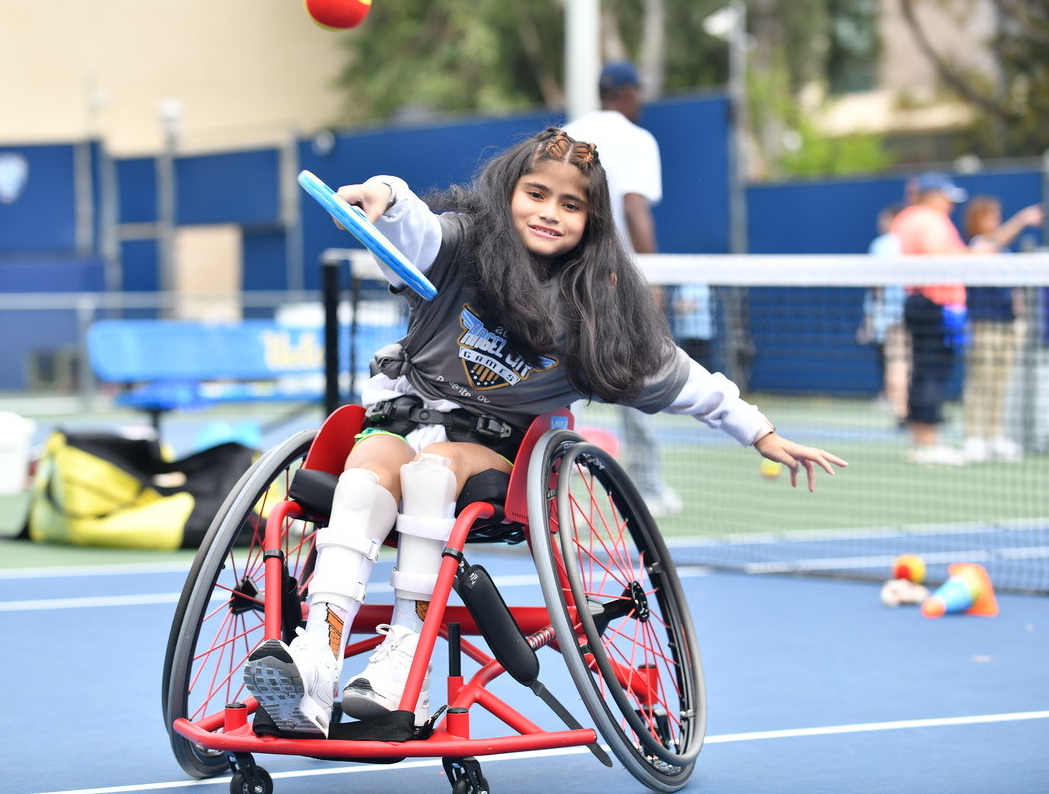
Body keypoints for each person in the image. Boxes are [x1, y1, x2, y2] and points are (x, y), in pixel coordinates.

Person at [243, 128, 847, 737]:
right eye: (536, 194)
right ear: (508, 192)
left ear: (592, 220)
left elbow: (678, 377)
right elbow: (415, 228)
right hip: (403, 422)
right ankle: (316, 659)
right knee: (366, 468)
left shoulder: (597, 313)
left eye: (571, 204)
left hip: (498, 458)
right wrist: (384, 197)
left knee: (432, 471)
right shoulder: (461, 249)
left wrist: (759, 430)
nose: (550, 213)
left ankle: (402, 660)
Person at [564, 61, 678, 515]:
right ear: (629, 94)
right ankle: (649, 486)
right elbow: (634, 209)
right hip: (616, 281)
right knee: (636, 379)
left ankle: (545, 485)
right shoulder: (637, 139)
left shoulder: (566, 133)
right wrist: (650, 281)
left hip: (562, 275)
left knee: (562, 384)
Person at [891, 172, 1013, 465]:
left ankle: (922, 439)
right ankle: (929, 442)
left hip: (922, 301)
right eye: (947, 198)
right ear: (933, 196)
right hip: (935, 303)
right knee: (932, 372)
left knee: (923, 371)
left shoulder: (906, 218)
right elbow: (939, 255)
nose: (951, 205)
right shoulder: (930, 220)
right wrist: (975, 256)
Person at [961, 195, 1043, 462]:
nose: (995, 220)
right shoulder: (977, 246)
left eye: (998, 215)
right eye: (990, 216)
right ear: (977, 220)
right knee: (980, 381)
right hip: (983, 325)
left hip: (1008, 324)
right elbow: (989, 249)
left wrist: (1019, 314)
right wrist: (1021, 220)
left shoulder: (1003, 250)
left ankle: (995, 435)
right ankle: (973, 437)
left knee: (1000, 383)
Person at [857, 204, 909, 423]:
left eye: (884, 219)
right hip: (914, 313)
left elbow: (876, 282)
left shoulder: (882, 244)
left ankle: (900, 409)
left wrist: (870, 318)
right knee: (906, 363)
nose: (880, 223)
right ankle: (904, 407)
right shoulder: (910, 241)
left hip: (891, 315)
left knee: (896, 362)